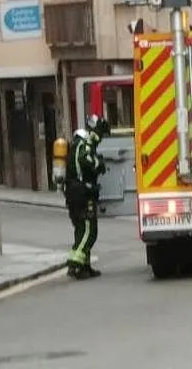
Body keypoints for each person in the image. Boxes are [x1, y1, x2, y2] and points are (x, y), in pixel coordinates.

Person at [64, 114, 111, 279]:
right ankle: (75, 263)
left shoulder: (77, 142)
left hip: (74, 192)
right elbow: (87, 162)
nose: (101, 139)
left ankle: (85, 266)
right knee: (90, 230)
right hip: (82, 193)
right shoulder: (85, 144)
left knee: (81, 229)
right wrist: (100, 164)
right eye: (102, 134)